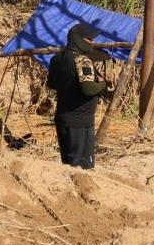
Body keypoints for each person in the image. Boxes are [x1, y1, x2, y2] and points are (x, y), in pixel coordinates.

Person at [46, 23, 113, 168]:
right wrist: (103, 84)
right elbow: (88, 89)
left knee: (68, 165)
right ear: (78, 39)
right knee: (82, 168)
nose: (93, 42)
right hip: (80, 123)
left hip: (63, 118)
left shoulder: (56, 59)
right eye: (89, 39)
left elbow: (51, 84)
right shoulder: (82, 61)